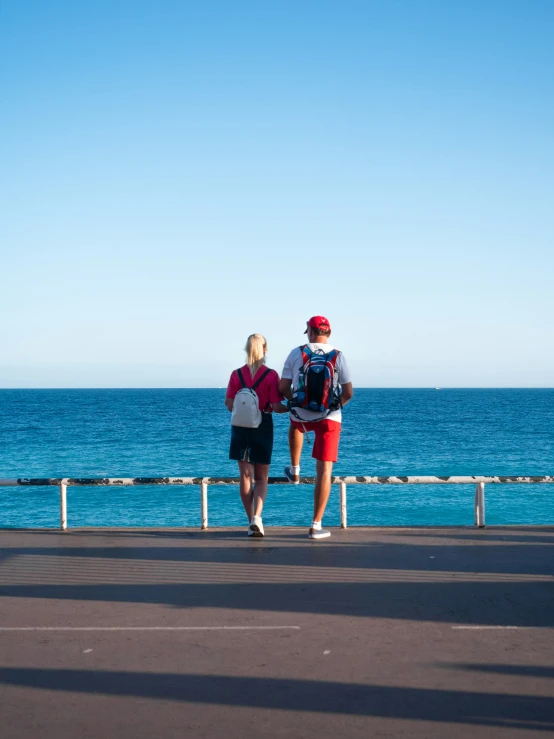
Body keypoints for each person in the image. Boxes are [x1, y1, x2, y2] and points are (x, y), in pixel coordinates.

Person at [279, 316, 353, 540]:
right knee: (324, 471)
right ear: (328, 332)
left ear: (310, 332)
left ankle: (295, 470)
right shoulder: (338, 355)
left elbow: (283, 386)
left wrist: (296, 401)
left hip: (301, 415)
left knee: (295, 426)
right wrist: (333, 406)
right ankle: (315, 525)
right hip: (330, 418)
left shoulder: (296, 352)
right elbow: (348, 393)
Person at [225, 334, 288, 537]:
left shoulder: (236, 375)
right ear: (265, 350)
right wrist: (292, 409)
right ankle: (257, 519)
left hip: (240, 428)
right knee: (261, 478)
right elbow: (276, 406)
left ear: (246, 349)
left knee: (245, 476)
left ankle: (250, 519)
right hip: (263, 426)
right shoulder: (271, 376)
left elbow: (228, 404)